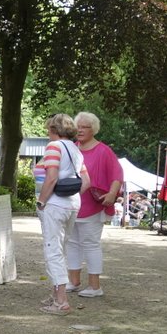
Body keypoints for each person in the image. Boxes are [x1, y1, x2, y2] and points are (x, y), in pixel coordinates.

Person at [65, 112, 123, 298]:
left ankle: (95, 286)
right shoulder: (71, 148)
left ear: (94, 129)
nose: (80, 130)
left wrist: (112, 194)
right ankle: (74, 281)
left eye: (85, 127)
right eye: (78, 127)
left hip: (93, 206)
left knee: (90, 244)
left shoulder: (104, 151)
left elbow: (117, 174)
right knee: (72, 243)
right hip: (71, 204)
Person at [34, 114, 88, 315]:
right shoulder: (76, 149)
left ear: (55, 130)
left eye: (49, 128)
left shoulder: (54, 147)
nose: (47, 132)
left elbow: (51, 177)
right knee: (60, 249)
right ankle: (56, 295)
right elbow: (86, 181)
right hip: (72, 204)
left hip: (54, 204)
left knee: (52, 250)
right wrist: (69, 195)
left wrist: (41, 202)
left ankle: (62, 302)